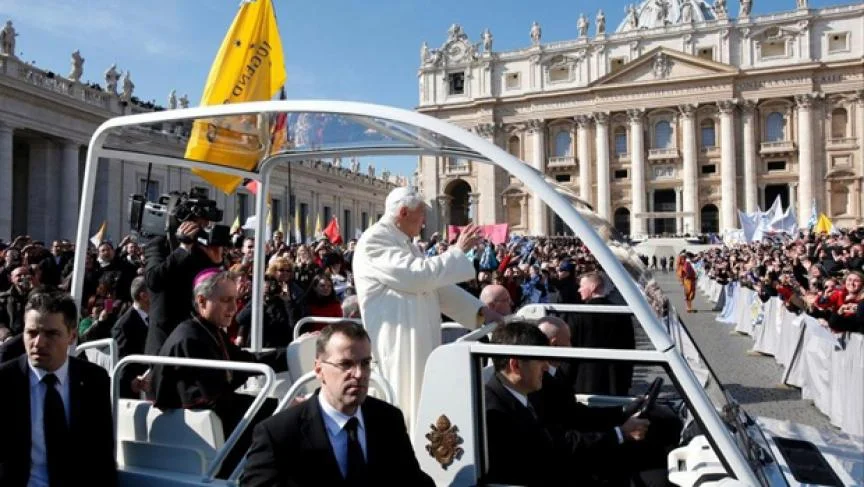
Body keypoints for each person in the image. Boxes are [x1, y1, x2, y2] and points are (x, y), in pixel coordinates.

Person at [353, 187, 503, 431]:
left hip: (419, 337)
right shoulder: (375, 240)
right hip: (398, 342)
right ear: (403, 212)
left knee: (423, 399)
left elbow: (436, 287)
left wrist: (481, 312)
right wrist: (457, 251)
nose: (424, 222)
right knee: (406, 401)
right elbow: (418, 276)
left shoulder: (405, 243)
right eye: (421, 214)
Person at [241, 322, 434, 487]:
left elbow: (412, 481)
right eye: (346, 364)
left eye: (365, 363)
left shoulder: (387, 419)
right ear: (319, 369)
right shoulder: (279, 434)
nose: (359, 374)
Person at [152, 269, 287, 477]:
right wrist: (277, 407)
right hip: (199, 435)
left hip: (217, 421)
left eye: (236, 300)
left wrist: (293, 352)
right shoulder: (190, 338)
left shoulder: (208, 329)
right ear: (202, 301)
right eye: (226, 300)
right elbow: (214, 399)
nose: (234, 308)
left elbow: (245, 361)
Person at [0, 291, 116, 486]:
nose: (39, 343)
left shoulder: (93, 380)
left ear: (71, 335)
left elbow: (101, 455)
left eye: (51, 334)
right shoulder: (4, 381)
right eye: (32, 333)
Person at [484, 320, 562, 486]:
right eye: (540, 360)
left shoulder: (520, 395)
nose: (546, 367)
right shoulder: (496, 416)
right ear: (516, 365)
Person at [143, 211, 225, 355]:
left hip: (195, 335)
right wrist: (183, 248)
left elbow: (214, 289)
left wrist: (216, 263)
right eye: (200, 224)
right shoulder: (160, 244)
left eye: (207, 225)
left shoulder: (202, 250)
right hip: (165, 339)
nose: (203, 229)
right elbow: (153, 279)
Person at [568, 272, 635, 395]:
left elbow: (570, 349)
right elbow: (630, 347)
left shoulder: (577, 315)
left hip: (585, 382)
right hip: (616, 382)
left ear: (593, 287)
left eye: (582, 286)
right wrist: (627, 380)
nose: (579, 290)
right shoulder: (622, 314)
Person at [112, 276, 151, 398]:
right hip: (137, 393)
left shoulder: (155, 317)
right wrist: (132, 380)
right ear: (144, 296)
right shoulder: (124, 325)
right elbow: (123, 359)